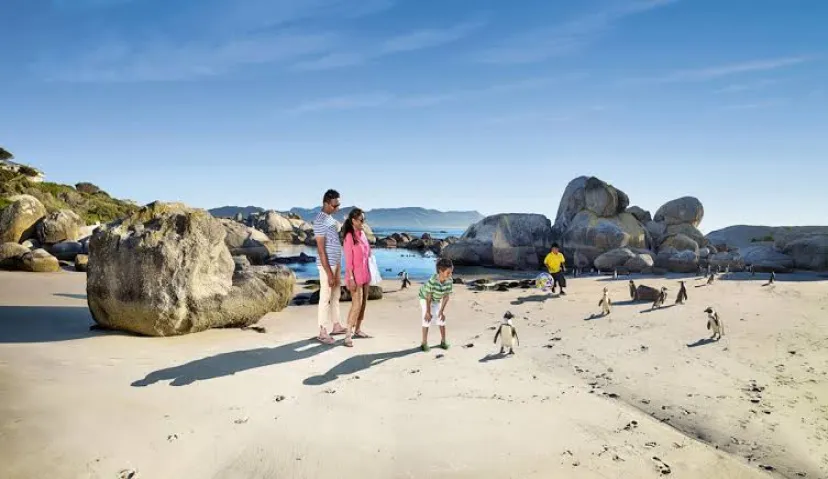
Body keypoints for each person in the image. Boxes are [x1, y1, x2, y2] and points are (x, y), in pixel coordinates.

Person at [313, 189, 347, 344]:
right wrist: (329, 273)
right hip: (326, 266)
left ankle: (336, 325)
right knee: (325, 297)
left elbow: (335, 244)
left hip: (336, 264)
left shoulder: (331, 220)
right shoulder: (319, 221)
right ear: (326, 203)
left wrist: (338, 268)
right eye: (334, 205)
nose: (337, 208)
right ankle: (322, 331)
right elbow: (321, 250)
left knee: (336, 296)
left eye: (338, 205)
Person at [342, 208, 373, 347]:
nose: (363, 222)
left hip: (366, 273)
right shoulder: (349, 237)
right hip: (354, 276)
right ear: (353, 221)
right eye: (361, 220)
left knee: (364, 304)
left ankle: (358, 329)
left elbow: (368, 254)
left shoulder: (363, 234)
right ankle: (348, 335)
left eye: (364, 220)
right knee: (356, 305)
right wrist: (351, 278)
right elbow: (348, 261)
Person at [419, 258, 454, 352]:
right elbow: (428, 296)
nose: (450, 275)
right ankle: (424, 343)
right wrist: (428, 312)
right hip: (425, 297)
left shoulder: (449, 281)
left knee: (441, 319)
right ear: (440, 271)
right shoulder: (433, 281)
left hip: (436, 299)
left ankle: (443, 341)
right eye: (448, 272)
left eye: (451, 272)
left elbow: (446, 296)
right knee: (427, 319)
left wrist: (441, 311)